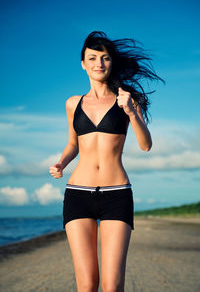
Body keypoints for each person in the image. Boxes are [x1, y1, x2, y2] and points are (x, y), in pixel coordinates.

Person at [49, 31, 164, 292]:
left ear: (111, 63)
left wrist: (132, 111)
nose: (99, 63)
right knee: (87, 284)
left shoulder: (126, 100)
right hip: (78, 193)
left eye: (105, 58)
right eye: (92, 58)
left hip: (117, 194)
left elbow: (146, 145)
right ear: (83, 64)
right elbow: (73, 143)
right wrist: (61, 163)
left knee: (112, 286)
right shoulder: (73, 103)